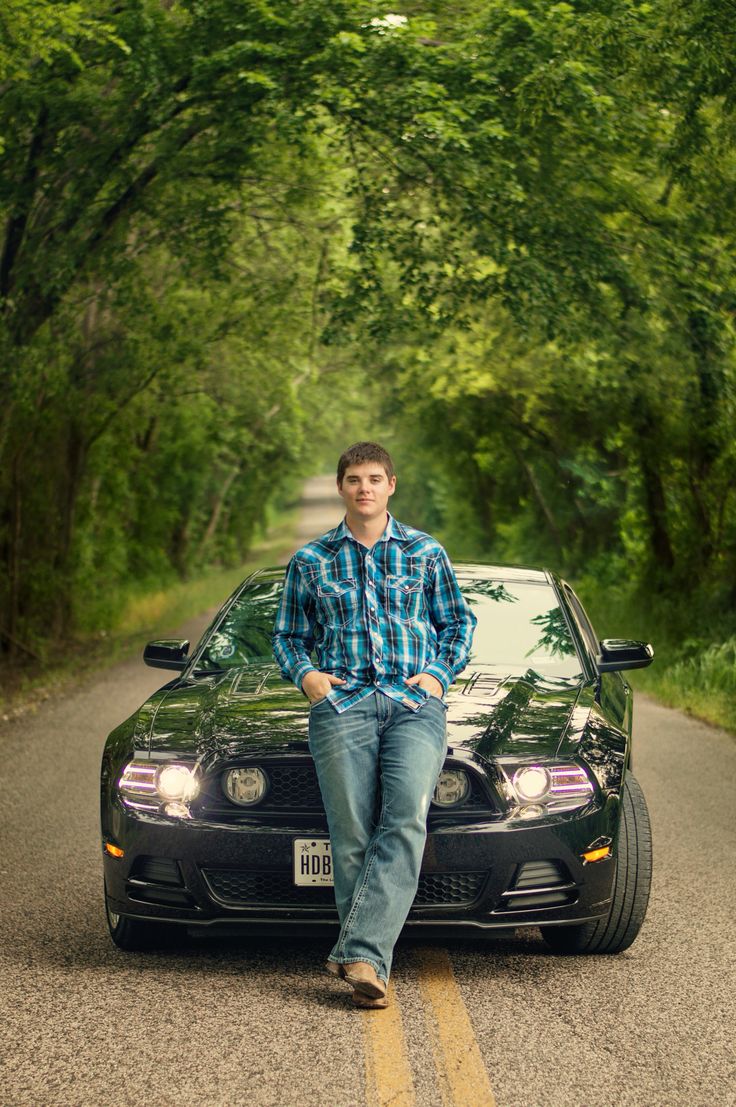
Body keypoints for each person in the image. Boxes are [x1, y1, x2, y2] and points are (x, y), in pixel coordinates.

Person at [271, 441, 477, 1009]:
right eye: (355, 479)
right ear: (341, 487)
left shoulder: (424, 551)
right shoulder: (311, 561)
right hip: (342, 706)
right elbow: (288, 636)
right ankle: (367, 965)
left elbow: (457, 623)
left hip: (414, 704)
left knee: (407, 816)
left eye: (375, 478)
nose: (365, 488)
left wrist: (437, 675)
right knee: (352, 831)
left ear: (392, 485)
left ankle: (360, 952)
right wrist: (308, 676)